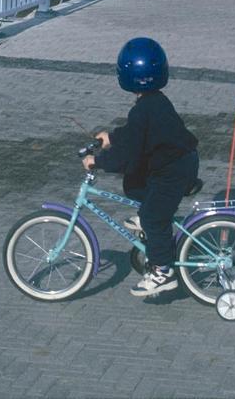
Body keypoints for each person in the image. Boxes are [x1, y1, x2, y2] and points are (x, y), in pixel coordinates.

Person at [81, 37, 199, 297]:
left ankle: (162, 272)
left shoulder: (144, 108)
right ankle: (152, 221)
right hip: (176, 164)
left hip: (174, 172)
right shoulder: (154, 102)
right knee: (134, 182)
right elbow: (136, 134)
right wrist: (110, 137)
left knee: (153, 217)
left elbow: (127, 154)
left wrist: (98, 161)